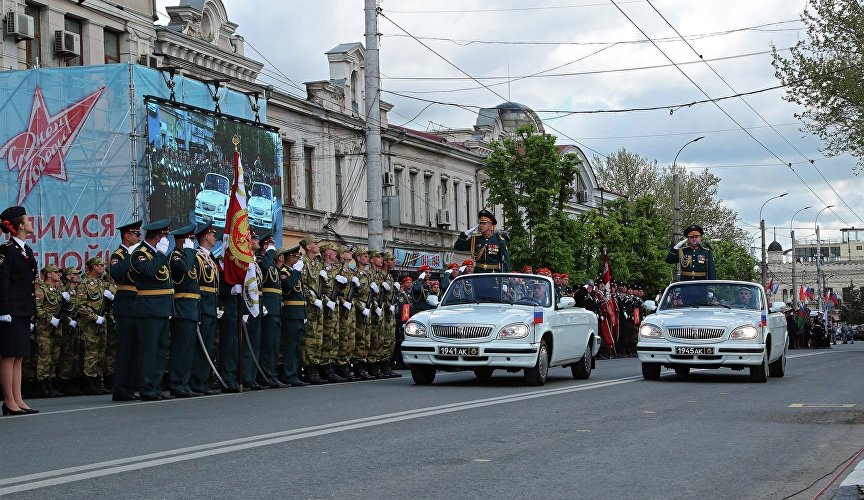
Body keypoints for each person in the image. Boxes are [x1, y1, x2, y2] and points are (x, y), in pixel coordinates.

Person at [130, 219, 175, 401]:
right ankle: (147, 388)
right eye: (164, 236)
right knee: (149, 350)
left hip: (162, 307)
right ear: (157, 238)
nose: (166, 240)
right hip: (148, 308)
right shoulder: (139, 254)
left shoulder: (157, 254)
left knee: (160, 349)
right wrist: (161, 253)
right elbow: (149, 271)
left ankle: (155, 386)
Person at [0, 206, 38, 416]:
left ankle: (18, 398)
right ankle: (8, 401)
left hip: (23, 308)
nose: (31, 222)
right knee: (9, 354)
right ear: (20, 225)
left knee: (19, 355)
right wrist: (3, 309)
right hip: (11, 309)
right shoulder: (6, 249)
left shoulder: (26, 249)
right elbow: (3, 281)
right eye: (27, 219)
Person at [109, 219, 142, 402]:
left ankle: (130, 387)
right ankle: (120, 389)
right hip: (125, 305)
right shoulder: (119, 254)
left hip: (138, 304)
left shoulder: (137, 253)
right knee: (125, 350)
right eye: (136, 235)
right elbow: (116, 273)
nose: (139, 238)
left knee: (135, 349)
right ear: (127, 236)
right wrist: (129, 256)